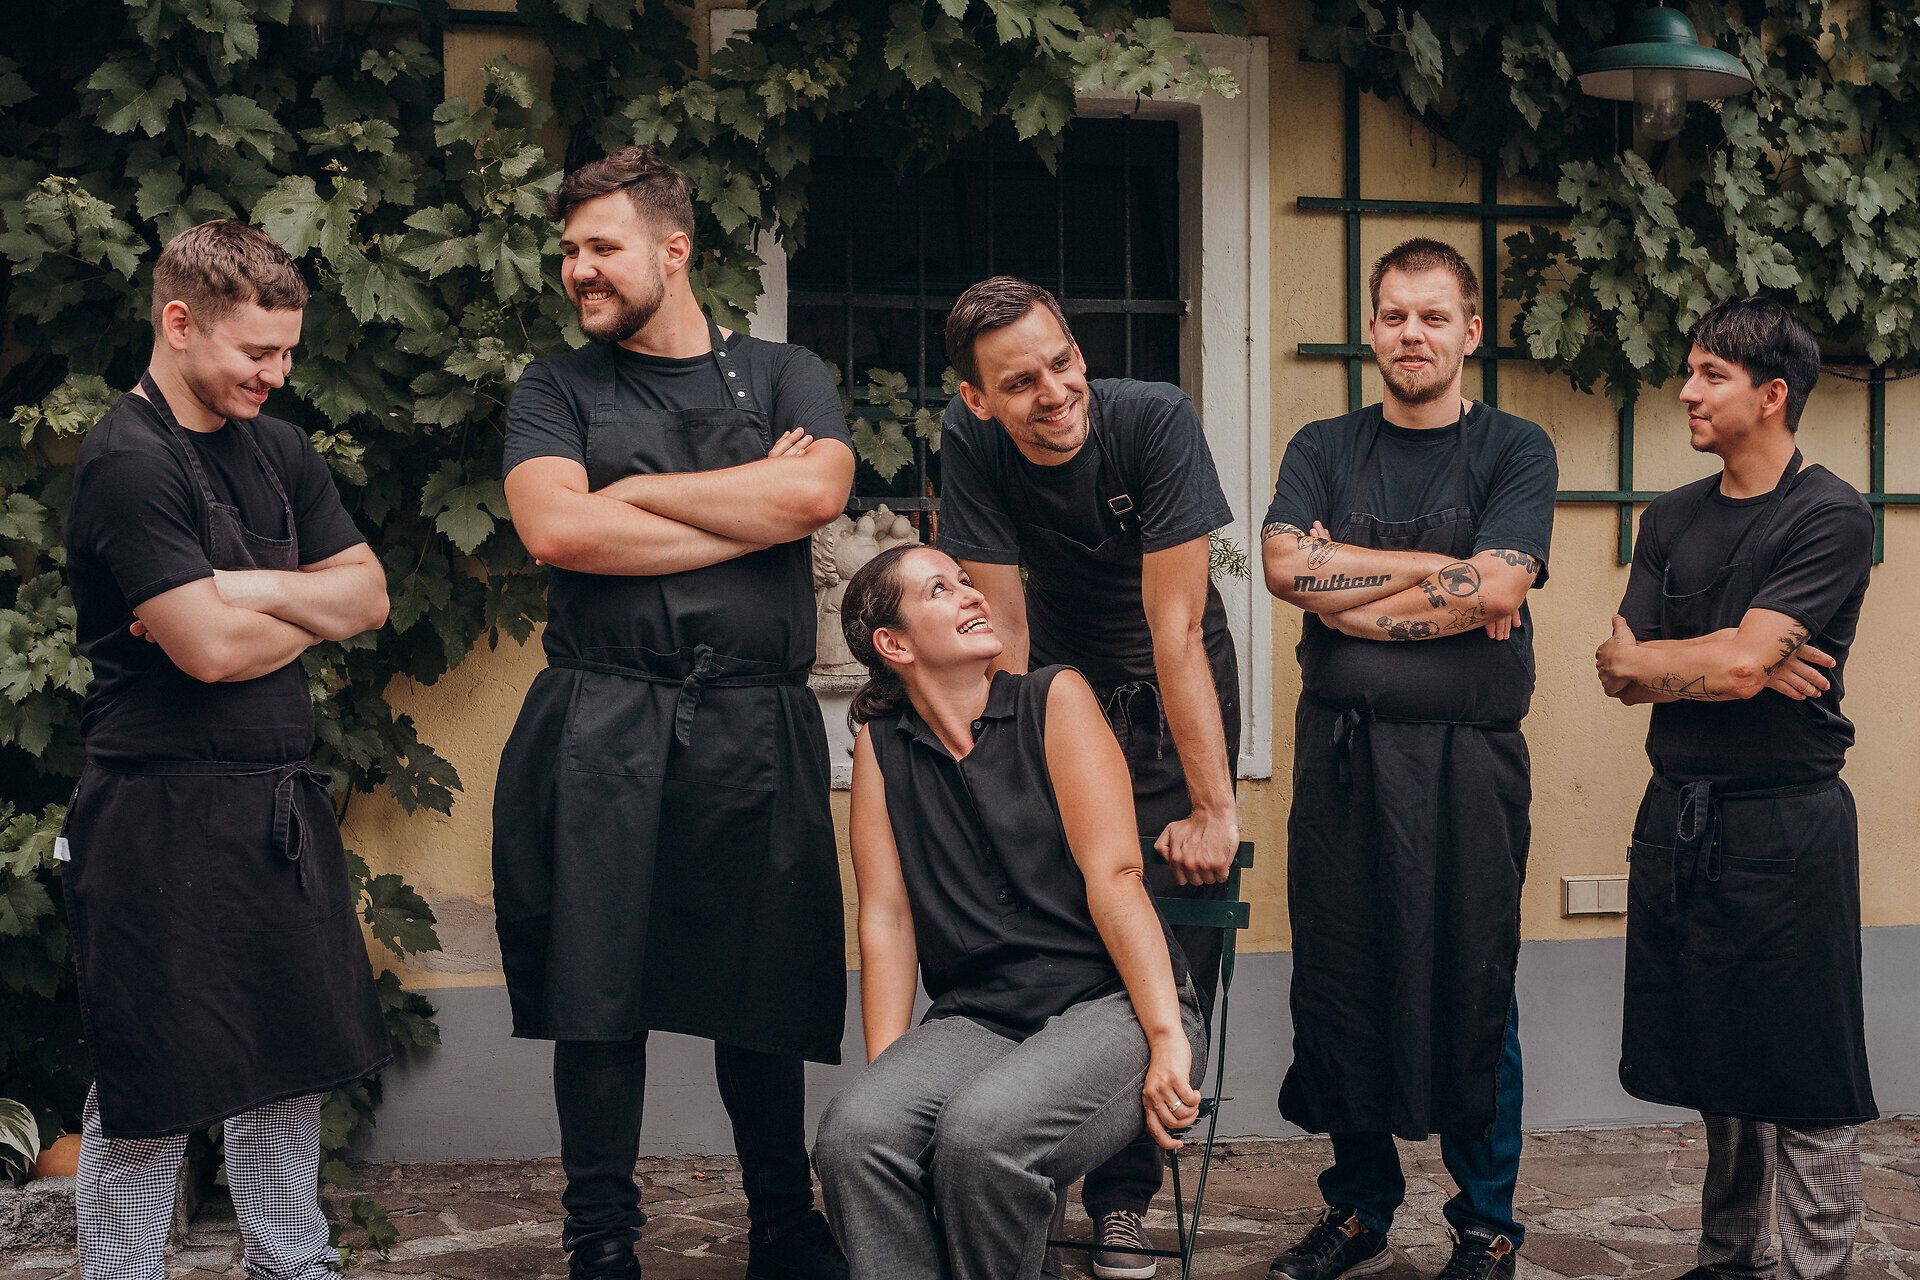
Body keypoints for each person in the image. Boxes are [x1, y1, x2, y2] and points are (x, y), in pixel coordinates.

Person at [492, 146, 854, 1280]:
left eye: (601, 247)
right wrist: (748, 512)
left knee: (763, 980)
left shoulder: (789, 371)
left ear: (673, 250)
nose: (578, 271)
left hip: (756, 719)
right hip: (604, 716)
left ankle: (782, 1224)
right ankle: (600, 1235)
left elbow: (815, 492)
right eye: (569, 252)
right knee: (598, 988)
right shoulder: (555, 388)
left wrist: (633, 494)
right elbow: (558, 532)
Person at [60, 219, 392, 1280]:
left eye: (288, 351)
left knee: (289, 1062)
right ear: (178, 321)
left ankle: (292, 1264)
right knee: (152, 1077)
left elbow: (372, 594)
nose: (276, 373)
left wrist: (240, 590)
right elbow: (202, 653)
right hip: (156, 818)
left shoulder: (281, 449)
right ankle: (120, 1274)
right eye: (257, 352)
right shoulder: (126, 458)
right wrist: (305, 608)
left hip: (275, 809)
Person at [1259, 239, 1557, 1280]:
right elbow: (1287, 569)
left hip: (1469, 766)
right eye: (1393, 316)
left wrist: (1359, 593)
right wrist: (1442, 570)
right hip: (1341, 765)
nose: (1412, 335)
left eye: (1434, 317)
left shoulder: (1517, 449)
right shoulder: (1322, 444)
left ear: (1471, 331)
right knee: (1343, 977)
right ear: (1371, 327)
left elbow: (1502, 592)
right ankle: (1359, 1207)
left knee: (1476, 979)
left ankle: (1486, 1221)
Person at [935, 275, 1239, 1279]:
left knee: (1165, 941)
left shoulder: (1153, 421)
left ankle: (1124, 1197)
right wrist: (1008, 782)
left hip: (1170, 692)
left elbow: (1177, 627)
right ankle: (1022, 1166)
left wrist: (1212, 805)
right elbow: (1003, 628)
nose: (1057, 391)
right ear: (980, 399)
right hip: (1058, 687)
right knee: (1057, 916)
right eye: (1022, 381)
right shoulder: (970, 438)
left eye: (1065, 361)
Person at [812, 544, 1207, 1280]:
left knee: (982, 1136)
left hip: (1112, 1003)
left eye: (966, 581)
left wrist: (1167, 1036)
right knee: (855, 1135)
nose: (972, 595)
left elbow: (1118, 876)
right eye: (940, 589)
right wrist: (888, 1080)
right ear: (893, 644)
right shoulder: (880, 748)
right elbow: (888, 920)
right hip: (984, 1017)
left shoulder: (1053, 699)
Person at [1595, 296, 1875, 1280]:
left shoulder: (1832, 512)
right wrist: (1724, 652)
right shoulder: (1669, 517)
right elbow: (1617, 667)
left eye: (1709, 373)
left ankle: (1816, 1264)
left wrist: (1727, 657)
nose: (1687, 390)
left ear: (1773, 393)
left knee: (1806, 1062)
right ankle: (1727, 1259)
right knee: (1719, 1055)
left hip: (1788, 822)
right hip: (1681, 817)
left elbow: (1738, 667)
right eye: (1689, 369)